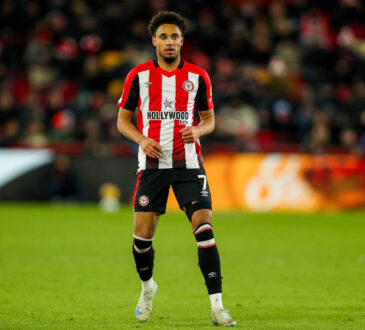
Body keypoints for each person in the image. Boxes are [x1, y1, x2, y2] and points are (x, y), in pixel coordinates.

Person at [117, 11, 236, 327]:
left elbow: (210, 120)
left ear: (182, 41)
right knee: (142, 241)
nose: (170, 42)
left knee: (205, 229)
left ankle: (217, 307)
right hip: (152, 166)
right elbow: (121, 121)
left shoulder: (198, 77)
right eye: (164, 36)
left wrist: (198, 130)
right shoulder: (138, 76)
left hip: (188, 165)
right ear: (154, 40)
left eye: (175, 37)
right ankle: (147, 288)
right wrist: (142, 139)